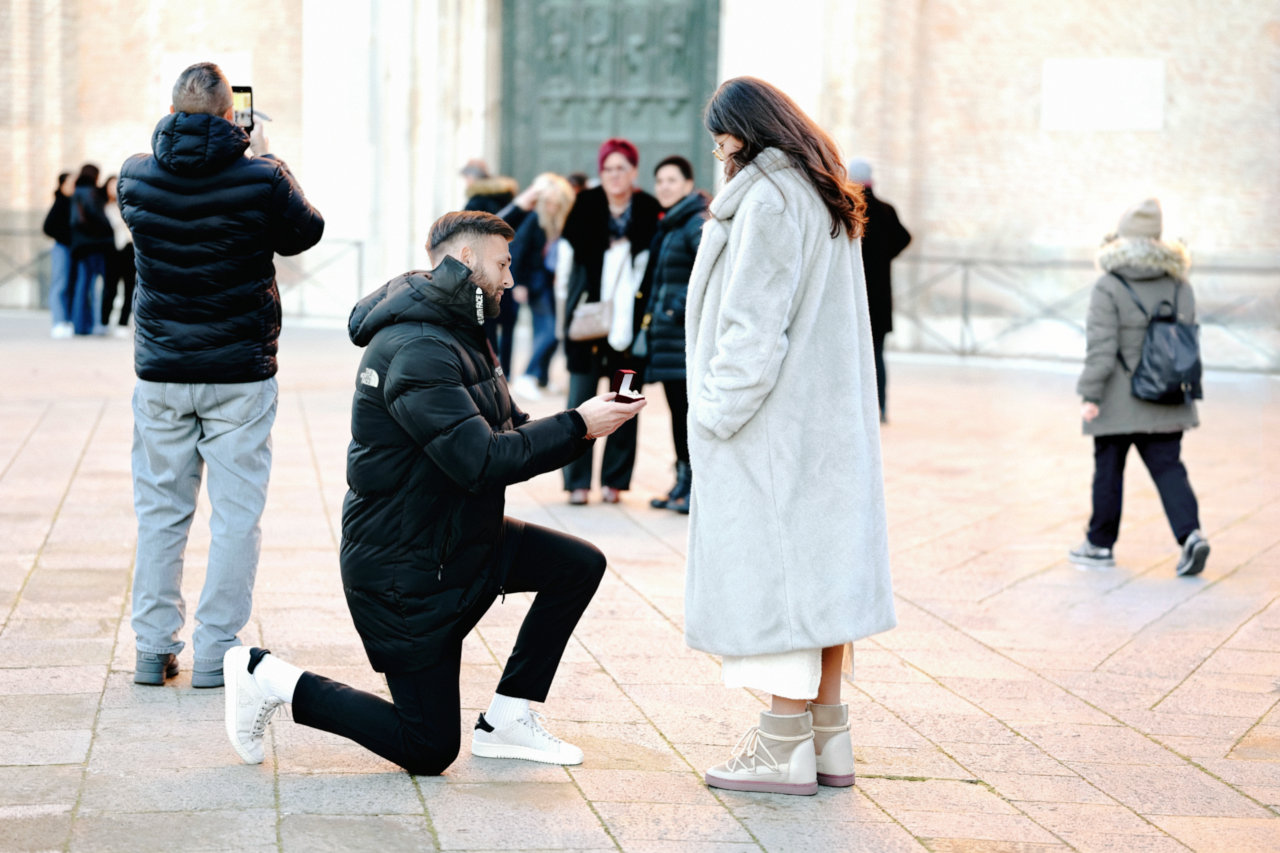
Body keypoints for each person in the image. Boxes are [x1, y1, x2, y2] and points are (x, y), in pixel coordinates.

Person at [221, 210, 645, 775]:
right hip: (407, 569)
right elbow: (481, 461)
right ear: (465, 260)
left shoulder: (461, 333)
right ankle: (266, 677)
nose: (510, 279)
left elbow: (508, 431)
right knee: (428, 747)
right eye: (502, 264)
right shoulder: (418, 349)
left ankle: (508, 719)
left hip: (457, 538)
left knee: (576, 565)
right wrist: (578, 424)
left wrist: (589, 424)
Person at [684, 77, 895, 796]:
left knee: (782, 581)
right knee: (825, 576)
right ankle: (828, 738)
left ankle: (782, 745)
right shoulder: (819, 192)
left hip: (775, 427)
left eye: (720, 139)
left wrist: (714, 416)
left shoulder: (770, 199)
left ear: (743, 131)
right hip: (823, 425)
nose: (717, 154)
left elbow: (752, 327)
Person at [117, 61, 324, 688]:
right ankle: (216, 653)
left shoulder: (134, 177)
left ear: (174, 108)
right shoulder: (262, 177)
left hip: (162, 371)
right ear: (231, 114)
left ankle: (153, 649)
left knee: (160, 512)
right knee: (236, 515)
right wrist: (263, 154)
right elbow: (305, 234)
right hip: (239, 369)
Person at [1069, 198, 1210, 577]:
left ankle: (1099, 545)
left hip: (1117, 397)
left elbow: (1101, 348)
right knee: (1168, 468)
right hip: (1167, 394)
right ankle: (1191, 535)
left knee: (1109, 470)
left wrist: (1091, 395)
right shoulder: (1180, 284)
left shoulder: (1109, 285)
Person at [561, 138, 660, 505]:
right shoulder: (586, 205)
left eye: (621, 168)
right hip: (588, 323)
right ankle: (576, 482)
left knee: (624, 401)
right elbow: (569, 266)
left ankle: (615, 481)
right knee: (580, 402)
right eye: (607, 169)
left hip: (631, 328)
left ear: (633, 171)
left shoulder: (649, 209)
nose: (613, 176)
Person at [639, 155, 708, 514]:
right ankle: (682, 483)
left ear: (687, 183)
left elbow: (709, 273)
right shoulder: (672, 224)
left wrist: (672, 309)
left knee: (686, 416)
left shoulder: (695, 223)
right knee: (678, 415)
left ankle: (692, 488)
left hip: (682, 341)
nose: (663, 187)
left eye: (671, 180)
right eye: (659, 181)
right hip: (668, 342)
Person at [847, 159, 911, 423]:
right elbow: (904, 237)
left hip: (853, 296)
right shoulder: (886, 210)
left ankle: (856, 410)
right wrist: (886, 256)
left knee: (851, 355)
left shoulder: (850, 209)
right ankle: (880, 408)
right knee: (877, 355)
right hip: (880, 297)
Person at [504, 173, 577, 401]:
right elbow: (518, 251)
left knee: (548, 330)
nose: (553, 206)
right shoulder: (534, 219)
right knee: (550, 331)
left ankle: (542, 377)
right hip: (534, 285)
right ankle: (526, 376)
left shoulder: (562, 222)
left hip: (553, 286)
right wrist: (519, 283)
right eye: (549, 201)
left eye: (557, 202)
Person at [68, 164, 113, 335]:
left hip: (81, 245)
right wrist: (108, 231)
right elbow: (97, 217)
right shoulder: (90, 193)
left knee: (83, 284)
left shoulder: (77, 192)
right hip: (94, 244)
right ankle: (89, 324)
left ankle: (81, 325)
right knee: (92, 285)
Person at [41, 171, 75, 338]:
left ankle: (66, 321)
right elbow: (48, 227)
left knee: (68, 284)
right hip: (62, 248)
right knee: (60, 284)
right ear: (62, 186)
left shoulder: (71, 202)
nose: (73, 187)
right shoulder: (61, 202)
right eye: (70, 184)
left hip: (70, 248)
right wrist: (67, 238)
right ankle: (58, 322)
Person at [100, 175, 135, 334]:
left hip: (129, 248)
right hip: (112, 250)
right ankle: (104, 321)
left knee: (129, 288)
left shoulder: (128, 205)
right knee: (110, 287)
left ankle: (122, 323)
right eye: (110, 186)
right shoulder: (102, 207)